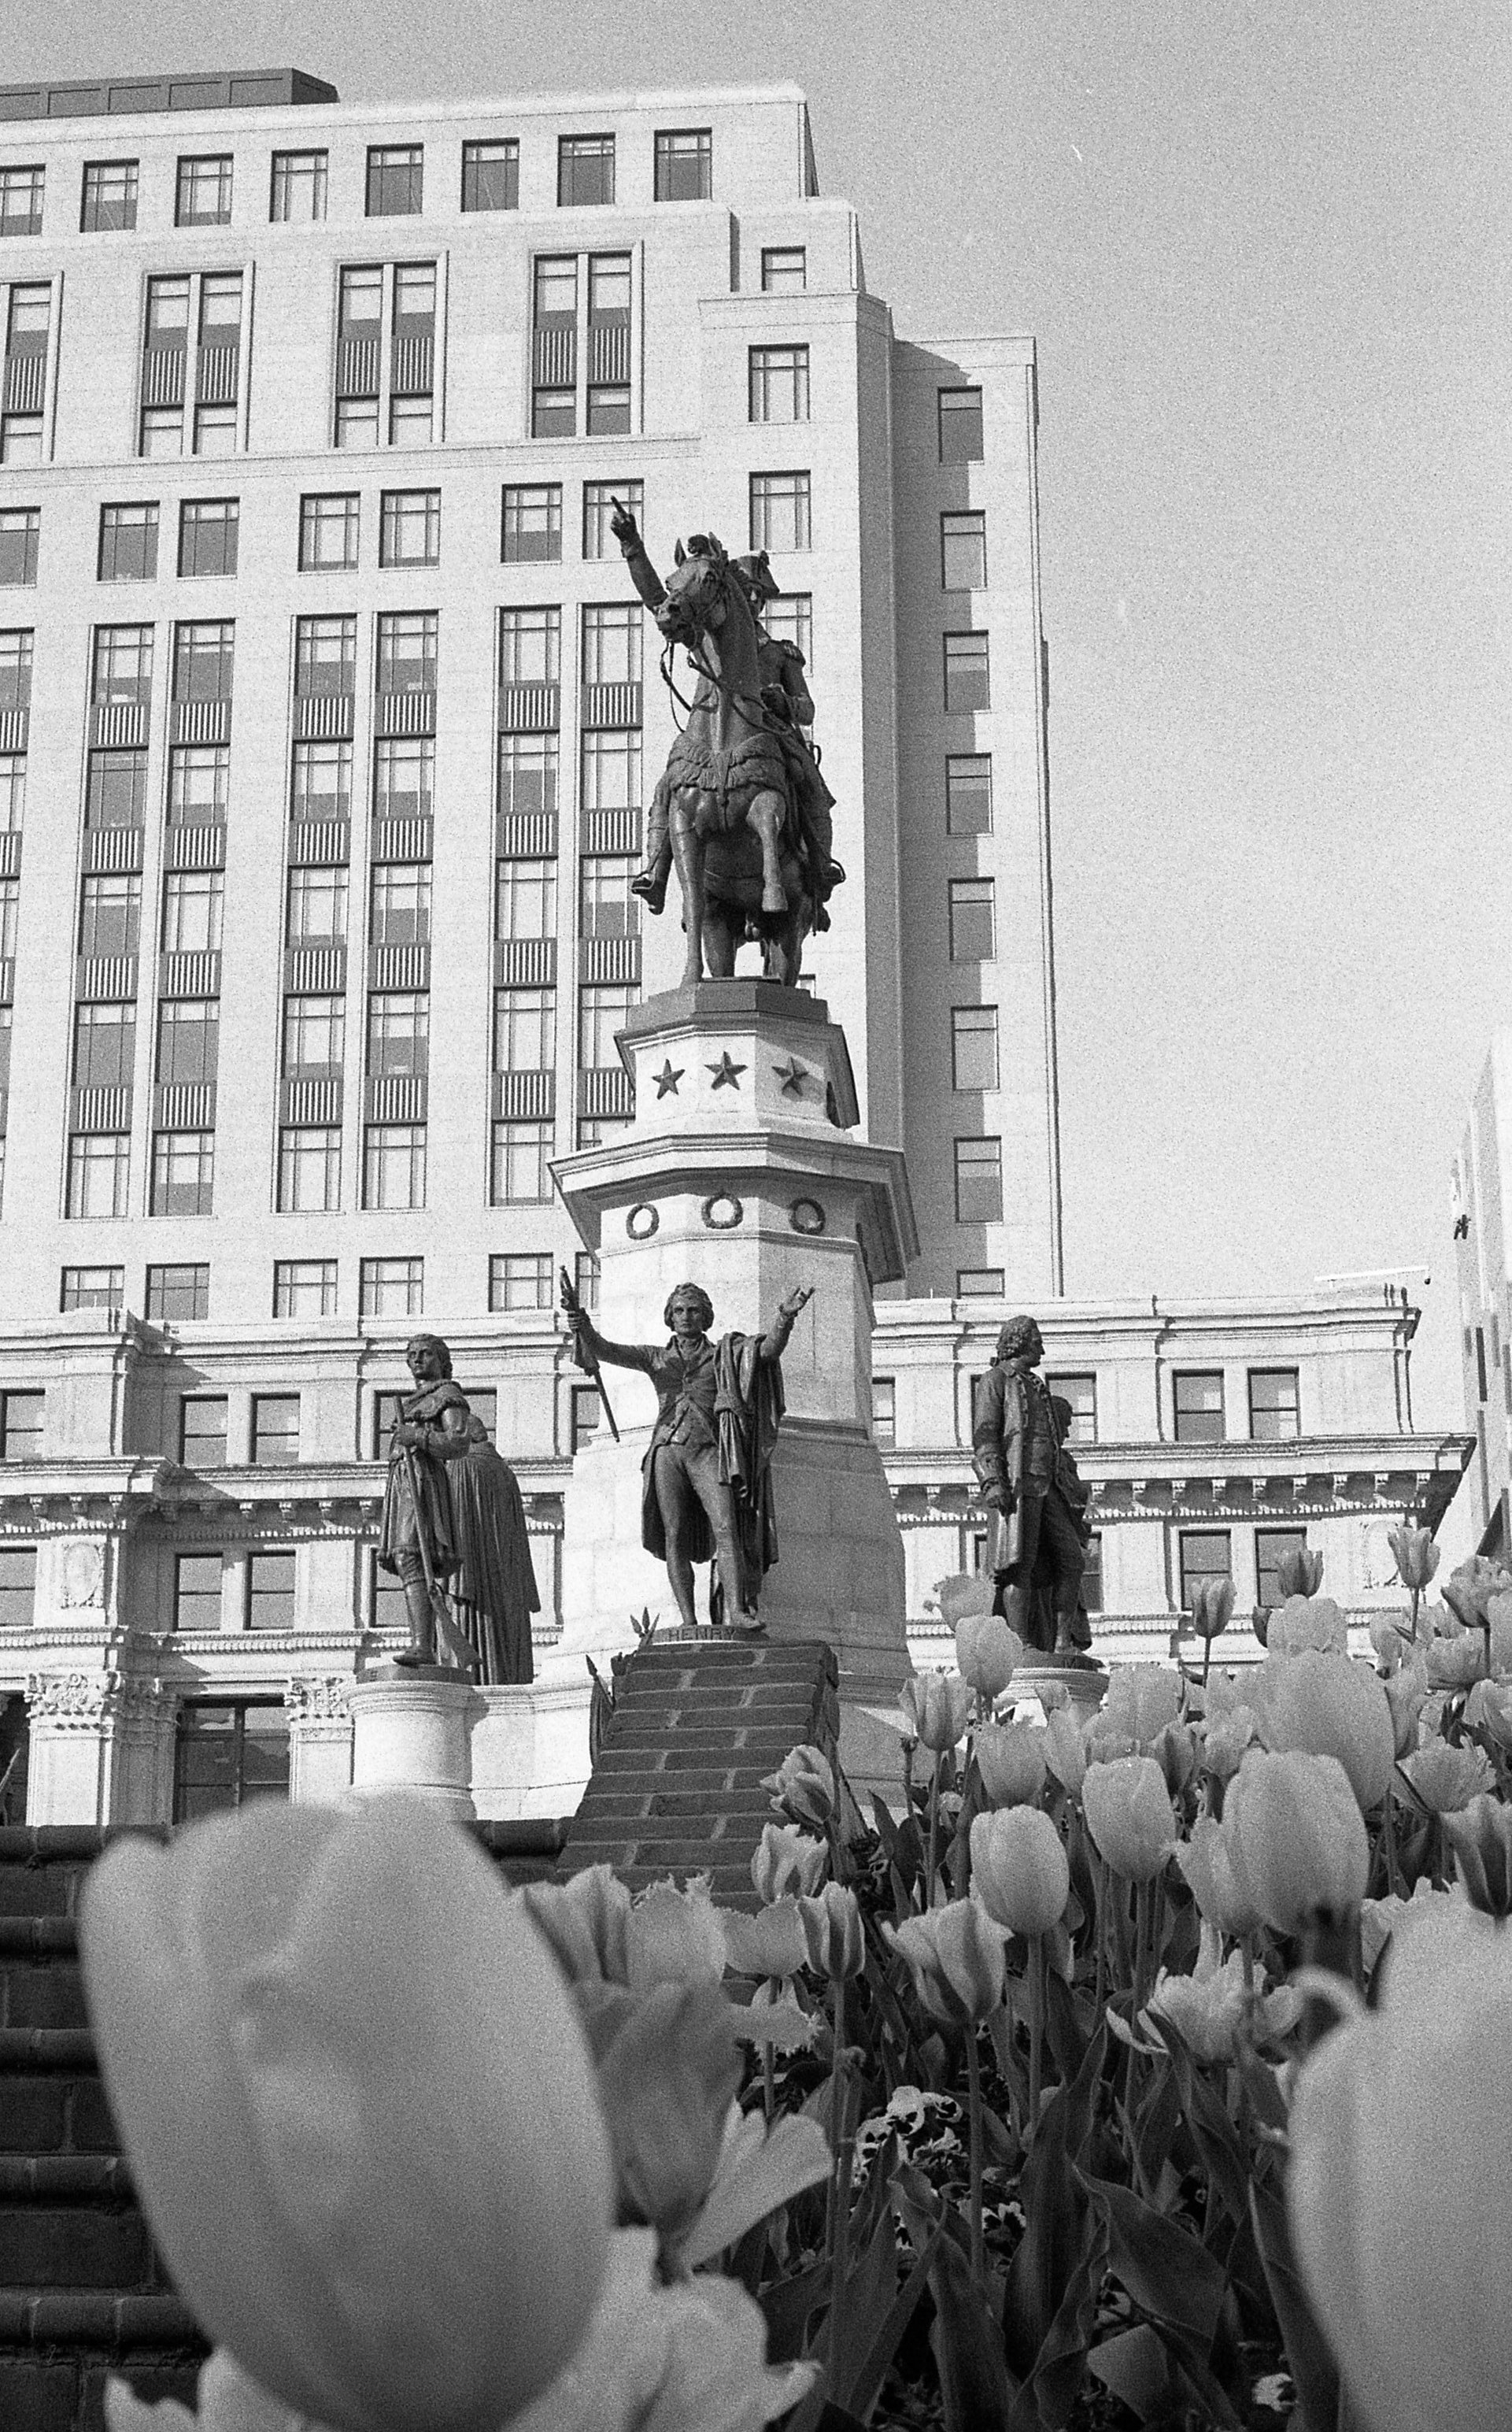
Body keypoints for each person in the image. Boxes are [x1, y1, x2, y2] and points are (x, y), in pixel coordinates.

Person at [608, 499, 841, 916]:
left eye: (758, 595)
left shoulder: (782, 652)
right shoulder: (708, 633)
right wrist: (632, 546)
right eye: (746, 592)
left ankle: (821, 864)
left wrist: (784, 702)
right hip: (711, 722)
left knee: (809, 782)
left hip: (768, 729)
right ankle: (655, 870)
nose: (752, 600)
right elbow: (659, 599)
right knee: (667, 785)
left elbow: (807, 710)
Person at [563, 1278, 813, 1635]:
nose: (686, 1316)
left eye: (693, 1310)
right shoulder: (655, 1357)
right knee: (674, 1533)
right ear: (670, 1316)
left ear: (706, 1316)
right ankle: (688, 1620)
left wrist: (784, 1318)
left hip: (708, 1452)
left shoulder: (725, 1354)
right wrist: (582, 1323)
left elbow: (769, 1351)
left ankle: (738, 1611)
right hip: (667, 1451)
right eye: (679, 1310)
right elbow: (605, 1349)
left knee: (726, 1528)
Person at [376, 1336, 538, 1677]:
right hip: (405, 1484)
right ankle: (422, 1641)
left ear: (442, 1360)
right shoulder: (415, 1401)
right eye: (411, 1355)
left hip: (424, 1484)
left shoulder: (448, 1398)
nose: (417, 1359)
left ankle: (423, 1643)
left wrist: (416, 1437)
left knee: (413, 1557)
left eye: (425, 1354)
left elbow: (458, 1443)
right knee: (406, 1559)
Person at [971, 1316, 1087, 1658]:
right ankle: (1019, 1643)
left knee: (1072, 1560)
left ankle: (1064, 1642)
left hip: (1050, 1485)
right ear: (1019, 1342)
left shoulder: (1037, 1385)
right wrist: (993, 1481)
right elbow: (985, 1434)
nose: (1042, 1347)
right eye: (1037, 1341)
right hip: (1019, 1485)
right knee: (1018, 1564)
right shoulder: (995, 1380)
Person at [448, 1416, 541, 1685]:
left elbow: (453, 1527)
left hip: (470, 1578)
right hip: (508, 1582)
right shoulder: (505, 1472)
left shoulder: (460, 1466)